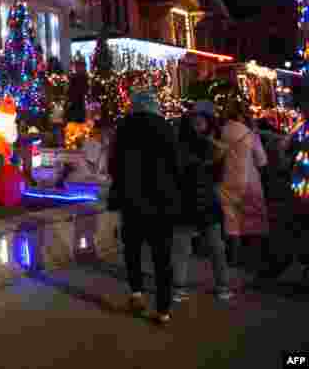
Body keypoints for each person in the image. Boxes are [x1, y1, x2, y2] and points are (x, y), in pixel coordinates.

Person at [108, 89, 182, 324]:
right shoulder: (166, 129)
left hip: (132, 200)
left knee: (133, 250)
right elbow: (176, 165)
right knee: (162, 256)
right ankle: (163, 309)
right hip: (161, 201)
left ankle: (137, 293)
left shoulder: (123, 129)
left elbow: (114, 164)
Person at [172, 101, 232, 302]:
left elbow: (219, 173)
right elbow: (177, 169)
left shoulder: (213, 143)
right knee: (182, 245)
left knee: (216, 245)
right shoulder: (182, 144)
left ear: (209, 122)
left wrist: (214, 152)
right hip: (185, 199)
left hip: (207, 199)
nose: (198, 124)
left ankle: (222, 284)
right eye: (194, 120)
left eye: (201, 120)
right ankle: (178, 286)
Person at [218, 100, 269, 271]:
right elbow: (262, 160)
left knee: (231, 223)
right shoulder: (250, 134)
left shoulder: (222, 131)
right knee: (253, 220)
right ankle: (253, 261)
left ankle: (233, 259)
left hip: (226, 181)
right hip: (249, 181)